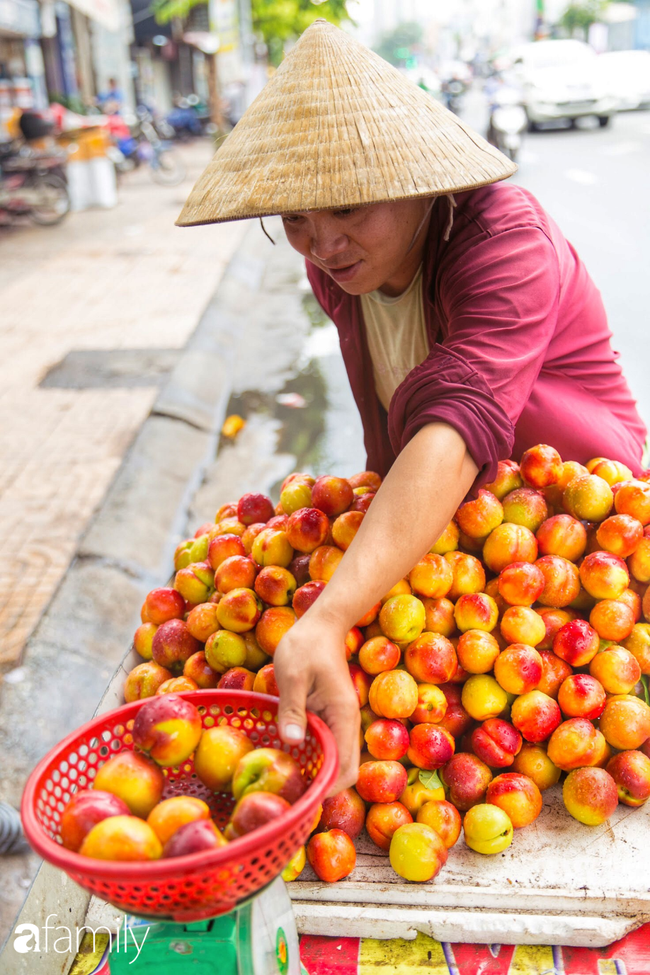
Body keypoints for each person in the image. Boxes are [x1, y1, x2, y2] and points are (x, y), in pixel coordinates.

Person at [177, 21, 646, 794]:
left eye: (350, 208)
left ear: (414, 180)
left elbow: (458, 416)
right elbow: (384, 419)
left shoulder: (502, 235)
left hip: (578, 523)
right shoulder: (343, 269)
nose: (322, 243)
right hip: (464, 532)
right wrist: (365, 564)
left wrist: (330, 615)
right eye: (296, 217)